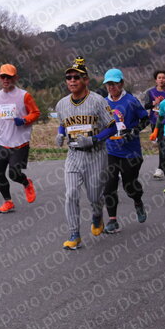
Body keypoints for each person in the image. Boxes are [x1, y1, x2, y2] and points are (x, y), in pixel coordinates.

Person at [54, 57, 116, 249]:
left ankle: (97, 215)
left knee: (94, 197)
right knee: (71, 193)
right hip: (74, 155)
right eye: (69, 77)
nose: (72, 81)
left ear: (86, 80)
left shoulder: (98, 101)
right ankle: (74, 234)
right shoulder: (61, 104)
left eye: (76, 77)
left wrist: (94, 139)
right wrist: (60, 134)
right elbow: (63, 123)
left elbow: (112, 127)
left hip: (96, 155)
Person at [0, 64, 41, 213]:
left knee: (14, 174)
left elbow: (36, 112)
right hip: (1, 141)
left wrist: (24, 120)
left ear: (15, 78)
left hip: (19, 142)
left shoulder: (24, 96)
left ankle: (26, 183)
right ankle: (8, 202)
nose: (6, 80)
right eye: (3, 76)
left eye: (9, 77)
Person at [101, 69, 150, 233]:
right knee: (109, 186)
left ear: (121, 83)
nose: (111, 87)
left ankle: (138, 201)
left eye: (114, 83)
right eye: (108, 84)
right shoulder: (103, 103)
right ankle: (112, 220)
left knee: (130, 186)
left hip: (131, 152)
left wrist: (134, 131)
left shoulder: (131, 101)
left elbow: (145, 119)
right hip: (110, 151)